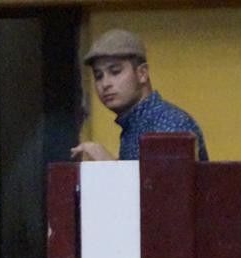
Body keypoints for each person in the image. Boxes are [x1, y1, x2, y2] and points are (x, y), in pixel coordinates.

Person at [71, 29, 208, 163]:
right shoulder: (134, 125)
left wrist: (109, 165)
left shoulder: (170, 124)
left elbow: (168, 179)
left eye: (115, 72)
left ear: (142, 73)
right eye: (98, 76)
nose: (105, 84)